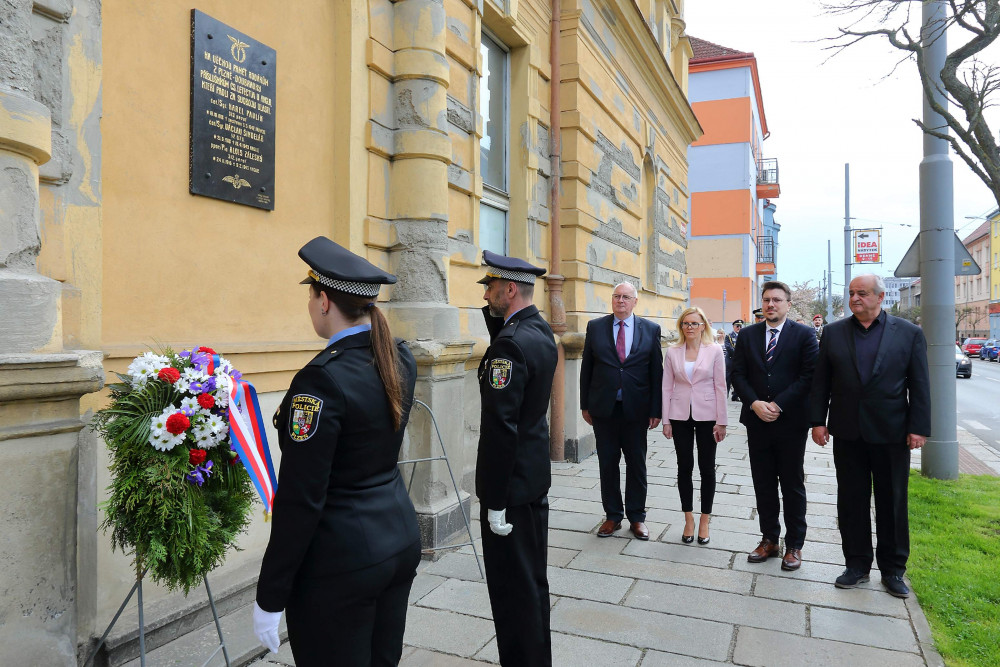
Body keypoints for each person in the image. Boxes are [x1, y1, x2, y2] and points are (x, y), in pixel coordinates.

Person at [253, 237, 420, 666]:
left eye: (311, 296)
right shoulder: (398, 357)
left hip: (343, 561)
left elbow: (301, 497)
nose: (310, 305)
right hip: (396, 537)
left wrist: (271, 595)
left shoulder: (320, 381)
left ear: (324, 300)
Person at [809, 274, 930, 598]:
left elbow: (919, 383)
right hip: (848, 431)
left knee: (892, 502)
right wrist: (817, 422)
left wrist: (919, 427)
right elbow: (821, 383)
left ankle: (892, 570)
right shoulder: (834, 334)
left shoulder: (909, 334)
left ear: (879, 297)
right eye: (851, 293)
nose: (855, 299)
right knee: (851, 501)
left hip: (891, 433)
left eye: (862, 293)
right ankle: (857, 565)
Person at [476, 250, 558, 666]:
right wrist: (498, 317)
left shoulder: (508, 348)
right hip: (531, 479)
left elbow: (500, 427)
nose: (486, 295)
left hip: (509, 488)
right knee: (530, 585)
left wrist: (493, 499)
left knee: (513, 594)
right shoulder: (538, 331)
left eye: (491, 288)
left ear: (510, 289)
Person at [731, 281, 818, 571]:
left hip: (790, 422)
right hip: (757, 421)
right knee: (763, 483)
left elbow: (808, 376)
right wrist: (754, 402)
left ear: (788, 304)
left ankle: (794, 545)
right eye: (767, 300)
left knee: (792, 484)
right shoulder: (748, 335)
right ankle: (769, 539)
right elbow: (738, 373)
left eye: (777, 300)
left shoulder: (804, 335)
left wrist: (778, 405)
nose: (771, 305)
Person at [579, 282, 663, 541]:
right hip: (604, 409)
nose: (621, 301)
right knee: (607, 463)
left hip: (636, 410)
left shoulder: (650, 329)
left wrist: (656, 409)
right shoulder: (596, 327)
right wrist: (585, 404)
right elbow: (587, 368)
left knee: (636, 464)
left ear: (635, 301)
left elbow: (655, 372)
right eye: (617, 296)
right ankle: (613, 516)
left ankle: (637, 517)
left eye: (626, 297)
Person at [661, 307, 727, 545]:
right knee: (684, 466)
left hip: (708, 414)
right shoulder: (672, 351)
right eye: (686, 323)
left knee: (707, 467)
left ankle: (704, 519)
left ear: (703, 326)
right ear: (681, 326)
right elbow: (666, 386)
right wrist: (666, 419)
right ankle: (688, 517)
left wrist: (722, 421)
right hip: (679, 415)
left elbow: (721, 386)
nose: (690, 327)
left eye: (695, 323)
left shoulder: (715, 350)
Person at [724, 319, 743, 401]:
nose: (739, 328)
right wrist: (738, 354)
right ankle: (725, 395)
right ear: (733, 326)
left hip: (740, 360)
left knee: (738, 378)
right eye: (737, 326)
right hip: (731, 360)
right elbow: (728, 347)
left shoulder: (743, 336)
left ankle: (735, 395)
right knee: (728, 378)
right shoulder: (729, 336)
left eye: (740, 326)